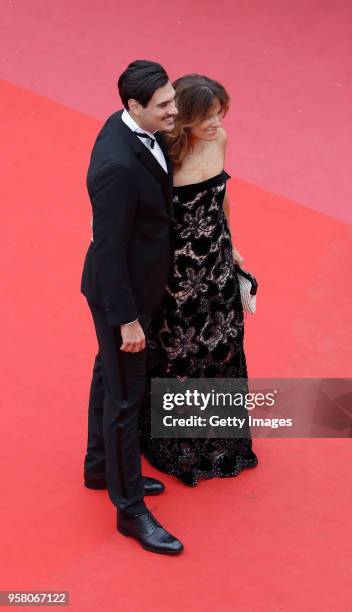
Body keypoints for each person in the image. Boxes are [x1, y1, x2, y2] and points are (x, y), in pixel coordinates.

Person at [81, 60, 183, 554]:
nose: (174, 110)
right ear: (133, 106)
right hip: (122, 298)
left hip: (130, 287)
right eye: (164, 105)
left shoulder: (128, 126)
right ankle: (130, 511)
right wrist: (127, 320)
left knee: (109, 376)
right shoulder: (118, 166)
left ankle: (99, 467)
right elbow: (108, 248)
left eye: (172, 99)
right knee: (126, 399)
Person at [139, 74, 258, 486]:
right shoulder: (163, 155)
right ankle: (177, 442)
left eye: (220, 113)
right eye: (208, 116)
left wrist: (234, 245)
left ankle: (218, 436)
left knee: (221, 348)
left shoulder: (219, 141)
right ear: (186, 117)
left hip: (218, 264)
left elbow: (222, 194)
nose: (217, 123)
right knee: (179, 353)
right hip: (178, 272)